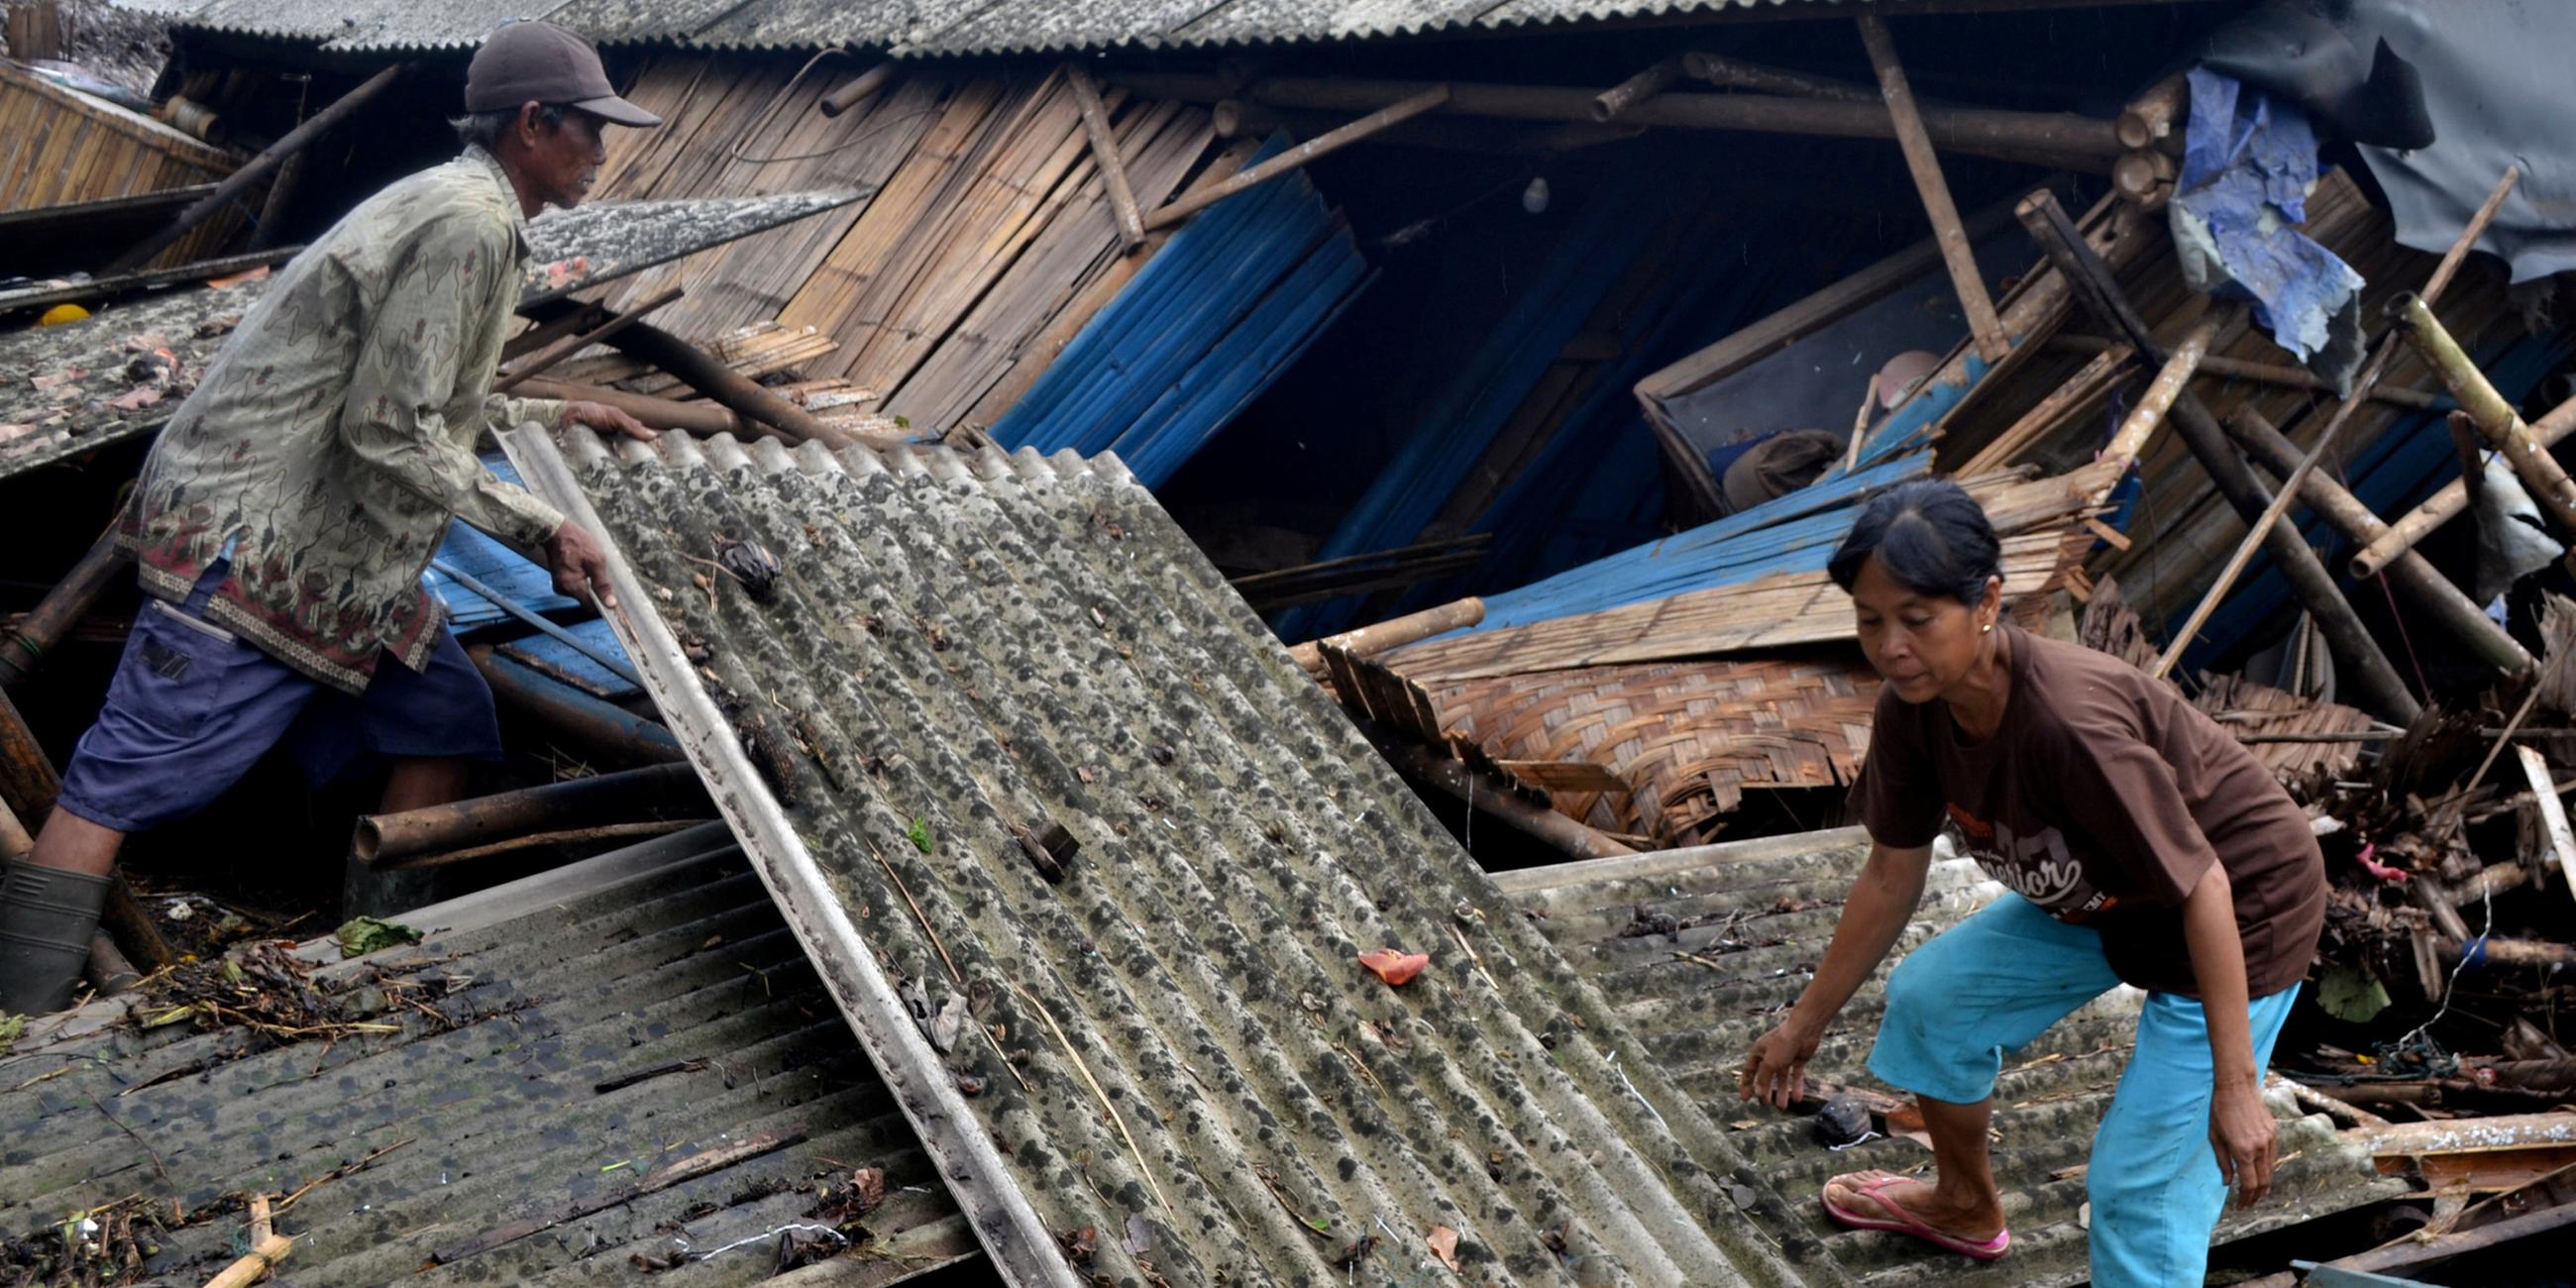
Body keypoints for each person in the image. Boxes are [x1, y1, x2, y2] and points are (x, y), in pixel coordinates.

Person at [0, 21, 666, 1014]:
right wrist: (539, 527)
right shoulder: (467, 223)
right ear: (533, 123)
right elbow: (390, 427)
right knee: (122, 777)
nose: (602, 151)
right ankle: (22, 1025)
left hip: (339, 551)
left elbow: (422, 396)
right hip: (255, 542)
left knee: (443, 716)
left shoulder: (469, 209)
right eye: (591, 129)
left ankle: (369, 962)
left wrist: (551, 415)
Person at [1737, 479, 2325, 1285]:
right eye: (1871, 621)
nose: (1891, 646)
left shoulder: (2067, 725)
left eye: (1917, 619)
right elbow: (1890, 873)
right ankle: (1963, 1203)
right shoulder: (1914, 708)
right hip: (2111, 899)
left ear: (1986, 603)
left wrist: (2237, 1087)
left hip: (2237, 911)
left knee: (2140, 1189)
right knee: (1934, 1001)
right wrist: (1803, 1024)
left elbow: (2204, 888)